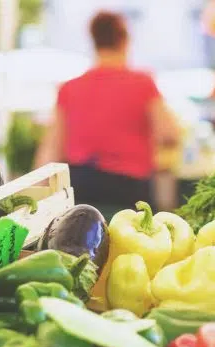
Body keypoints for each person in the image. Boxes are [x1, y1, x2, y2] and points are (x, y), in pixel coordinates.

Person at [33, 11, 179, 213]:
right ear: (124, 40)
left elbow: (51, 147)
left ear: (94, 40)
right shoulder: (143, 83)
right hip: (130, 189)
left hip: (81, 186)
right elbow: (169, 133)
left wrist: (37, 195)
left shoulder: (69, 88)